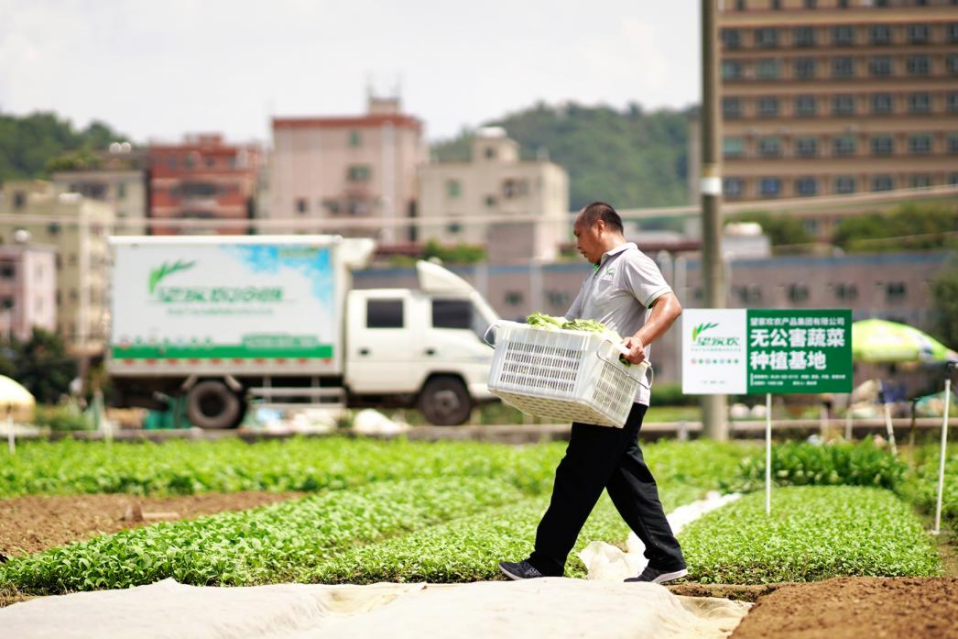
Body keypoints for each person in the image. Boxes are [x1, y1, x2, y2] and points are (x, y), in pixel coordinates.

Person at [498, 201, 687, 584]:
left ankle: (545, 561)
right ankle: (667, 559)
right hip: (600, 394)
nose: (576, 244)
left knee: (576, 475)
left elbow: (669, 304)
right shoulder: (599, 273)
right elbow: (571, 326)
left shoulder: (631, 262)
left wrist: (639, 340)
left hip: (615, 392)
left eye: (578, 235)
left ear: (599, 226)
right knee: (626, 480)